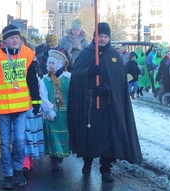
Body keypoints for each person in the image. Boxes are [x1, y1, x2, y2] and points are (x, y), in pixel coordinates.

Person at [67, 22, 142, 182]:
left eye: (105, 36)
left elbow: (119, 81)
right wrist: (89, 72)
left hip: (108, 105)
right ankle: (87, 162)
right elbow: (76, 76)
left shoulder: (113, 55)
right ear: (95, 36)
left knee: (109, 139)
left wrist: (106, 88)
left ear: (109, 38)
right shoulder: (86, 53)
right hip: (90, 105)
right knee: (90, 136)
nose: (102, 39)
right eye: (99, 36)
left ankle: (106, 169)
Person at [0, 23, 42, 190]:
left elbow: (32, 80)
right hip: (3, 108)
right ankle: (7, 175)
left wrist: (36, 101)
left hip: (21, 107)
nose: (15, 40)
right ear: (5, 40)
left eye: (17, 38)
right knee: (5, 143)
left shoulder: (27, 54)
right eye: (12, 38)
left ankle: (18, 170)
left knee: (20, 141)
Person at [39, 50, 71, 171]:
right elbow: (42, 96)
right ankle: (54, 158)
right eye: (49, 63)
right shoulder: (44, 80)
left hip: (64, 113)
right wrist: (48, 110)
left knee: (63, 135)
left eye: (53, 63)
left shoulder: (68, 78)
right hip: (51, 113)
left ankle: (60, 154)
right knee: (52, 134)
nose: (50, 65)